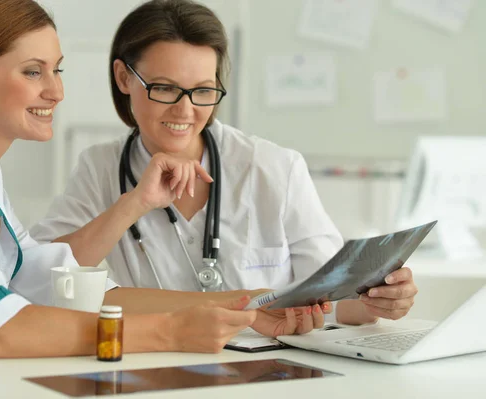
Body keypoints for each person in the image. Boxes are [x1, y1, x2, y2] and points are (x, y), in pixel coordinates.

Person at [0, 0, 321, 362]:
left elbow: (64, 286)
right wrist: (171, 332)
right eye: (33, 72)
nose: (56, 92)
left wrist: (242, 306)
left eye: (58, 71)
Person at [31, 0, 418, 326]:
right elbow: (42, 277)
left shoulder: (272, 167)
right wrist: (133, 204)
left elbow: (335, 295)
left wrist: (378, 301)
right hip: (159, 366)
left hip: (268, 370)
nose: (185, 110)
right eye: (164, 88)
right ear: (123, 77)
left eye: (203, 91)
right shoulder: (100, 167)